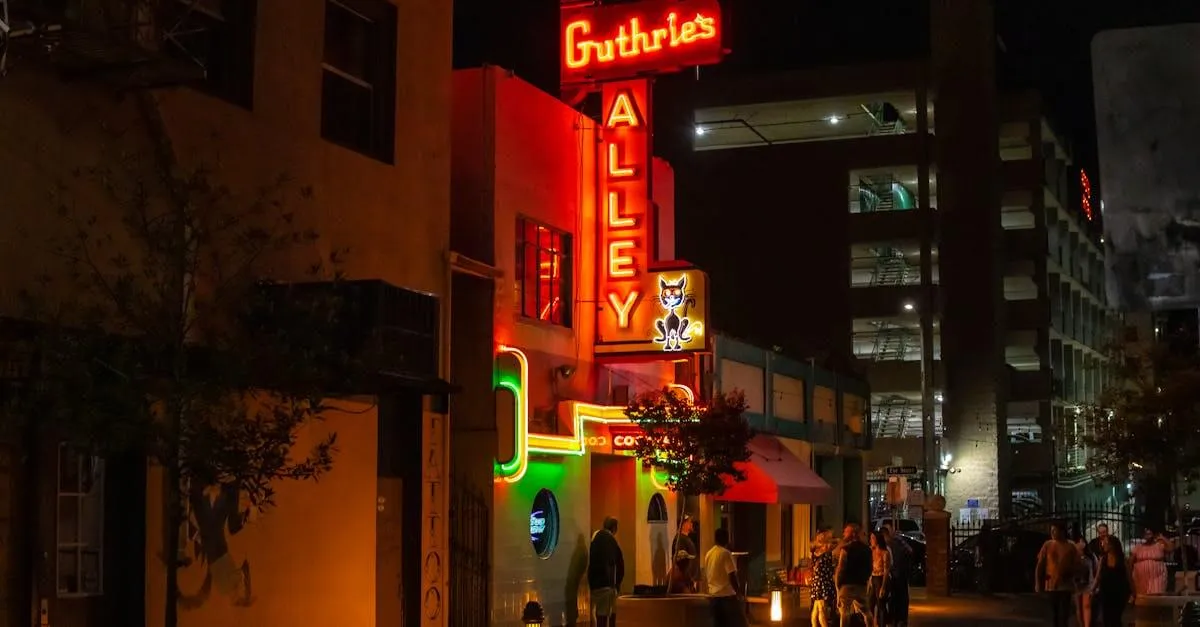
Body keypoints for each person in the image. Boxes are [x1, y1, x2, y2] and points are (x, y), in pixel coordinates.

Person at [1036, 520, 1081, 627]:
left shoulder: (1071, 546)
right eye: (1051, 530)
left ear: (1062, 531)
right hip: (1051, 585)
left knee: (1064, 615)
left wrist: (1070, 573)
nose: (1053, 533)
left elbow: (1078, 565)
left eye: (1055, 530)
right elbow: (1040, 565)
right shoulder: (1047, 545)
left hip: (1066, 585)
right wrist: (1037, 582)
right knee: (1054, 615)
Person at [703, 527, 747, 627]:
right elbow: (731, 575)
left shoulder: (708, 554)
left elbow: (706, 574)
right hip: (727, 596)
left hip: (713, 596)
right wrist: (738, 592)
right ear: (726, 539)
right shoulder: (725, 553)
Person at [588, 517, 624, 627]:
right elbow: (619, 564)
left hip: (594, 584)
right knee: (607, 614)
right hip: (607, 583)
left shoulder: (595, 539)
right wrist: (617, 584)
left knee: (598, 612)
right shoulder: (612, 541)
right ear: (614, 528)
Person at [835, 523, 872, 626]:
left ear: (852, 534)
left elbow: (841, 568)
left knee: (844, 612)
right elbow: (870, 568)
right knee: (866, 611)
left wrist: (838, 585)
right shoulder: (867, 549)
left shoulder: (846, 549)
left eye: (846, 531)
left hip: (847, 584)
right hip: (861, 584)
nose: (843, 534)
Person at [1092, 535, 1133, 627]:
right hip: (1106, 592)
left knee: (1115, 617)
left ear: (1112, 545)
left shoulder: (1123, 560)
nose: (1103, 545)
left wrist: (1134, 593)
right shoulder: (1103, 560)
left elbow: (1129, 577)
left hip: (1120, 593)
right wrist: (1092, 590)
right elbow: (1098, 577)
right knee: (1106, 618)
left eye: (1105, 543)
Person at [881, 525, 911, 626]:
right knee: (898, 599)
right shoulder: (897, 543)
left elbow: (895, 561)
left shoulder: (893, 544)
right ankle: (899, 619)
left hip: (897, 575)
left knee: (896, 599)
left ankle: (897, 619)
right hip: (898, 575)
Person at [809, 525, 838, 627]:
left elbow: (836, 543)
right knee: (820, 608)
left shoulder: (827, 549)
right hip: (820, 582)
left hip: (823, 581)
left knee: (818, 608)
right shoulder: (815, 552)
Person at [1071, 528, 1099, 627]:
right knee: (1079, 607)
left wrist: (1095, 585)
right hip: (1076, 585)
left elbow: (1096, 570)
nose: (1080, 544)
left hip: (1088, 585)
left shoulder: (1091, 556)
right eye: (1078, 542)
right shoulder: (1072, 556)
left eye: (1082, 541)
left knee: (1086, 606)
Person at [1130, 526, 1170, 597]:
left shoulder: (1159, 545)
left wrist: (1162, 538)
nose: (1148, 536)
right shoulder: (1138, 547)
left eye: (1149, 534)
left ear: (1153, 535)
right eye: (1146, 534)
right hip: (1141, 578)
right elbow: (1130, 561)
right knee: (1143, 599)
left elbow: (1171, 548)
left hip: (1158, 577)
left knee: (1156, 598)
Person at [868, 531, 892, 627]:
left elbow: (886, 570)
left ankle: (882, 624)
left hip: (881, 578)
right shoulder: (872, 551)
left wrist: (883, 586)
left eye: (873, 538)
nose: (871, 540)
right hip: (873, 577)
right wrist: (870, 578)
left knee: (880, 604)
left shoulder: (885, 553)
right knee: (870, 603)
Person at [672, 514, 701, 585]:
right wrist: (687, 578)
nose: (691, 524)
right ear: (683, 524)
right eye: (689, 522)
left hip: (691, 579)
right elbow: (680, 559)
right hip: (686, 580)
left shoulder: (687, 539)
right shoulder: (680, 539)